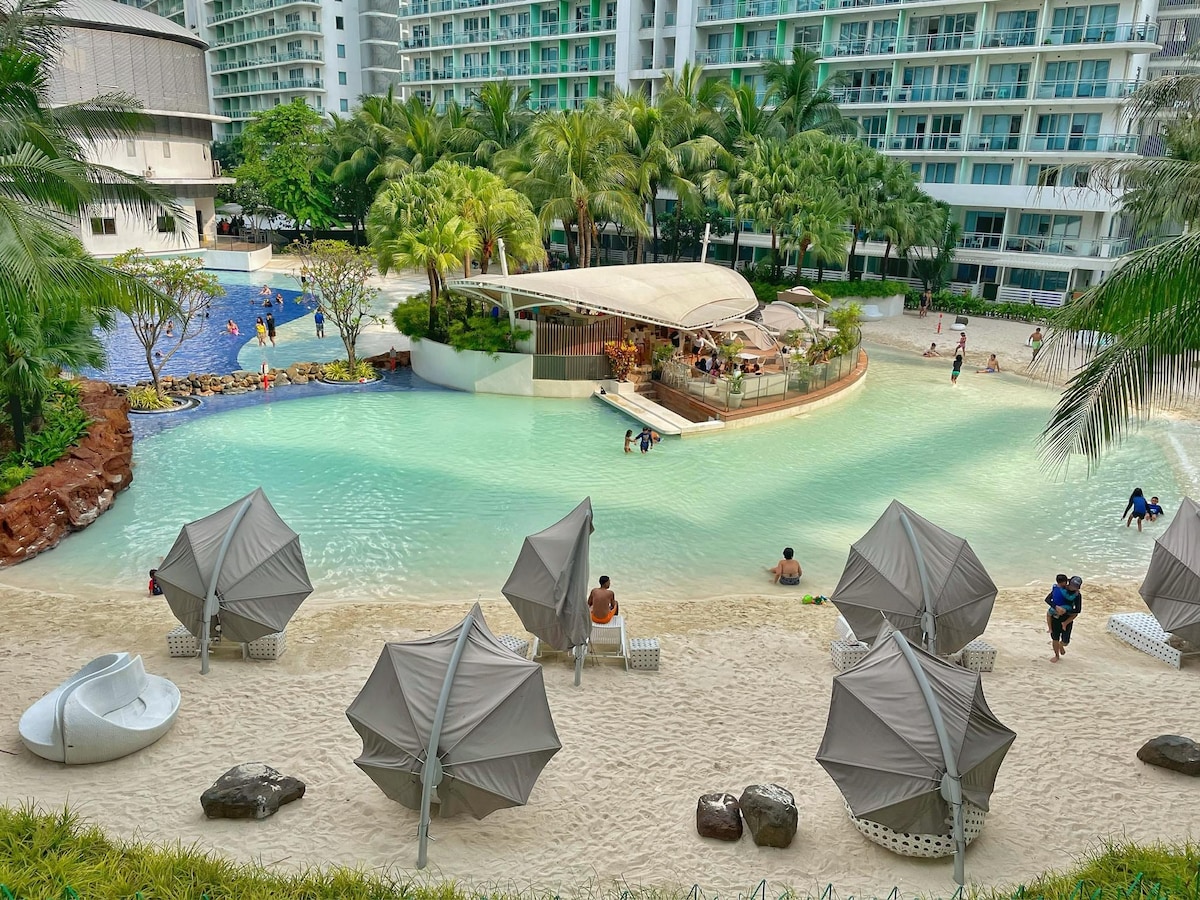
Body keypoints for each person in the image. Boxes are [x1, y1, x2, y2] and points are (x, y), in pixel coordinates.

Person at [1047, 575, 1083, 662]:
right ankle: (1057, 656)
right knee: (1055, 638)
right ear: (1069, 583)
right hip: (1055, 617)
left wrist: (1065, 611)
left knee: (1065, 642)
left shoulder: (1077, 595)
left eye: (1076, 587)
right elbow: (1048, 599)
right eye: (1072, 585)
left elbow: (1078, 610)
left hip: (1067, 619)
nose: (1074, 588)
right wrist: (1056, 607)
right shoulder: (1061, 588)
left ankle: (1061, 645)